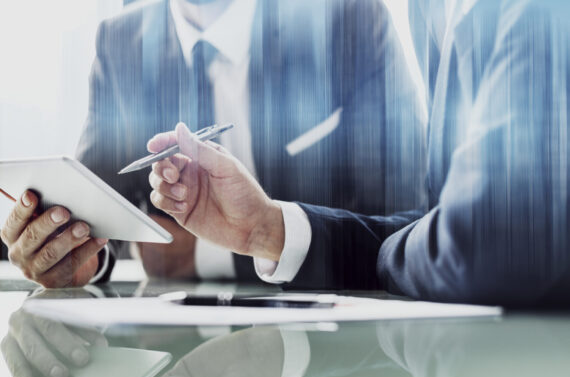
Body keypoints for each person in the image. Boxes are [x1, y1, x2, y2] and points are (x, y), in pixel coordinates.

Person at [148, 0, 570, 306]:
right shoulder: (432, 12)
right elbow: (439, 225)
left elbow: (491, 244)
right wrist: (267, 230)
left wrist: (389, 254)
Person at [0, 0, 426, 288]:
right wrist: (78, 258)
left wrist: (212, 255)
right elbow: (96, 210)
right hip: (173, 365)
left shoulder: (348, 19)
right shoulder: (120, 43)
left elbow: (414, 224)